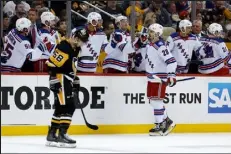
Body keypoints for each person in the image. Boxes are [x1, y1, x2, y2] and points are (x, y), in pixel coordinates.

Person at [45, 27, 89, 148]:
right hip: (60, 78)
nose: (82, 43)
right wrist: (53, 78)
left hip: (67, 79)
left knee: (60, 107)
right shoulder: (64, 47)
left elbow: (71, 66)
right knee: (69, 105)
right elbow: (50, 63)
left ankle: (52, 134)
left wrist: (75, 78)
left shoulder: (76, 48)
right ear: (74, 37)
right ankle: (62, 134)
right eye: (81, 40)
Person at [145, 23, 177, 136]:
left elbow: (171, 61)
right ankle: (167, 121)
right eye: (149, 31)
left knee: (156, 101)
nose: (149, 34)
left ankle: (160, 125)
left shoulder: (160, 45)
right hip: (152, 77)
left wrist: (171, 75)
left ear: (158, 33)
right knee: (153, 101)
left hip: (159, 78)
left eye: (152, 32)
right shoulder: (150, 44)